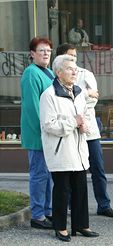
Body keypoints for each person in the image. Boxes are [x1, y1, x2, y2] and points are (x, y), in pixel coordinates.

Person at [56, 43, 113, 218]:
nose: (74, 60)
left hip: (88, 129)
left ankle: (103, 204)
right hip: (70, 131)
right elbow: (61, 100)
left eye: (75, 56)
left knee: (98, 168)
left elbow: (94, 98)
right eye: (70, 56)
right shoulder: (58, 76)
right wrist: (84, 94)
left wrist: (78, 100)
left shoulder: (86, 74)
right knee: (71, 170)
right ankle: (70, 206)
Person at [40, 54, 99, 242]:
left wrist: (84, 126)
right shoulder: (49, 95)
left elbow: (86, 115)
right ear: (58, 72)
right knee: (62, 190)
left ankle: (81, 225)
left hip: (79, 149)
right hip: (61, 150)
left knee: (81, 188)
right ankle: (61, 227)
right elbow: (48, 125)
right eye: (69, 68)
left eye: (75, 68)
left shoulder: (80, 92)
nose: (74, 71)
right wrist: (73, 122)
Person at [20, 37, 54, 230]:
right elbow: (33, 108)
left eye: (48, 51)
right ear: (32, 53)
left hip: (49, 133)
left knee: (48, 176)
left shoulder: (48, 72)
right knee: (39, 175)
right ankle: (38, 215)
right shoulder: (31, 73)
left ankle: (47, 212)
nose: (46, 54)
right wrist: (45, 131)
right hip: (38, 134)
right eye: (41, 50)